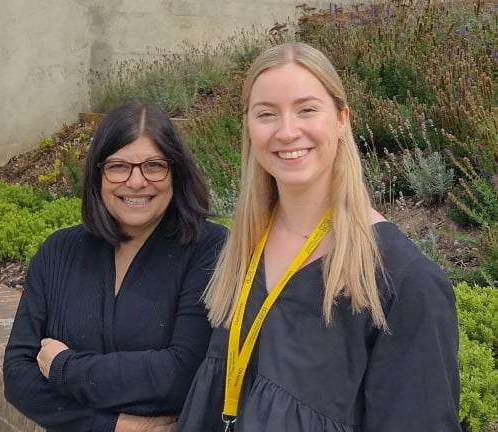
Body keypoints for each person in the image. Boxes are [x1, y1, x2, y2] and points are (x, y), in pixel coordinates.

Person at [176, 42, 461, 432]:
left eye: (307, 109)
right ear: (248, 126)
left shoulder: (403, 281)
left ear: (342, 119)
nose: (287, 132)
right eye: (266, 114)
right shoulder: (240, 248)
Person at [3, 101, 228, 432]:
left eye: (153, 165)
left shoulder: (209, 250)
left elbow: (180, 374)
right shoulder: (58, 252)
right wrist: (114, 425)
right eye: (118, 166)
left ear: (175, 172)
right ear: (98, 174)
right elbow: (18, 376)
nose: (136, 182)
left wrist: (64, 368)